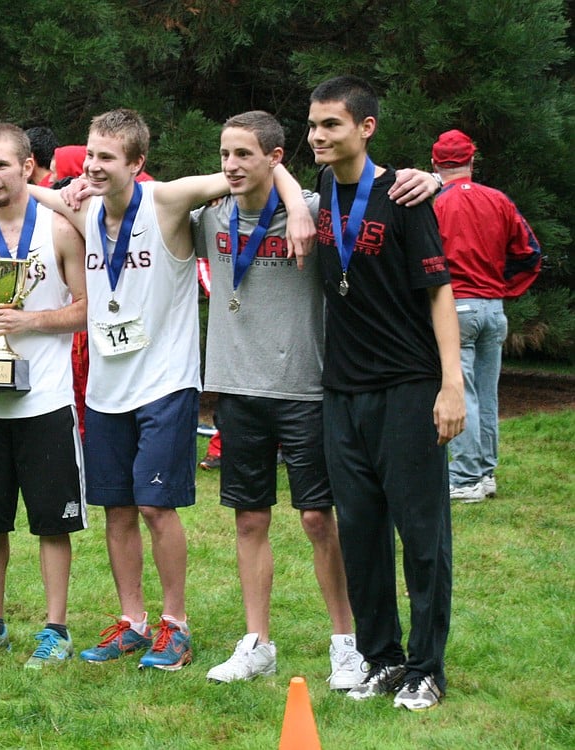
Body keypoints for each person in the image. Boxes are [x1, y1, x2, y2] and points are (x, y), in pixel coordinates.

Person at [0, 108, 315, 672]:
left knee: (157, 507)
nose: (92, 167)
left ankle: (175, 626)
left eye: (107, 159)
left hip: (165, 381)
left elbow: (250, 173)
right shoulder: (77, 206)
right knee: (116, 510)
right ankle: (132, 622)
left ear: (138, 163)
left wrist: (299, 204)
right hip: (107, 388)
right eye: (89, 156)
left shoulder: (168, 200)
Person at [308, 75, 464, 711]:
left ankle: (427, 666)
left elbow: (440, 291)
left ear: (365, 127)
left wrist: (451, 384)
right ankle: (381, 657)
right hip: (341, 392)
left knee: (421, 534)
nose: (317, 136)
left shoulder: (404, 194)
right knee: (361, 532)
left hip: (406, 386)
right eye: (313, 125)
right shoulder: (317, 187)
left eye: (331, 126)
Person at [193, 111, 362, 689]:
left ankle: (346, 642)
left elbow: (366, 187)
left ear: (275, 156)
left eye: (244, 154)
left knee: (318, 517)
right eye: (224, 155)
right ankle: (257, 642)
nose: (231, 165)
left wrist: (291, 200)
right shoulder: (209, 215)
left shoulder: (312, 212)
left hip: (303, 388)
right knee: (250, 518)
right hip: (238, 388)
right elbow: (154, 198)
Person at [0, 123, 88, 668]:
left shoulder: (57, 228)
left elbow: (87, 306)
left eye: (2, 164)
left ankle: (55, 629)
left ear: (28, 167)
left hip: (45, 398)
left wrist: (30, 319)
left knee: (52, 522)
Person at [430, 129, 542, 502]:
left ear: (434, 164)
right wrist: (502, 288)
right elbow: (529, 254)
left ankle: (464, 480)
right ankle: (485, 474)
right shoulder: (499, 201)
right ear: (472, 161)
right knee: (487, 394)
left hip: (455, 307)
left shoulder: (434, 204)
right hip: (494, 308)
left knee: (463, 393)